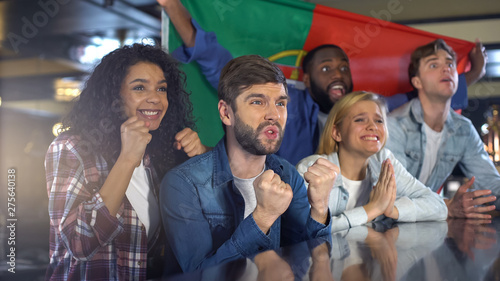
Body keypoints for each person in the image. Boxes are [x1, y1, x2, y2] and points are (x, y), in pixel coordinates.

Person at [156, 0, 486, 166]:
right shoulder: (286, 103)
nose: (338, 73)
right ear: (307, 78)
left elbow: (425, 99)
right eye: (326, 69)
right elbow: (216, 60)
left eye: (343, 67)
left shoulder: (368, 110)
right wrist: (172, 5)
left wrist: (471, 75)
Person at [44, 44, 208, 280]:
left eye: (161, 89)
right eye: (140, 87)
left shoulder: (157, 156)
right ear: (114, 98)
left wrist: (201, 154)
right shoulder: (72, 147)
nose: (155, 98)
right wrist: (128, 158)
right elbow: (79, 242)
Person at [160, 55, 337, 273]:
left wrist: (320, 209)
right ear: (226, 113)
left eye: (280, 103)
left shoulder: (289, 175)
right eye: (257, 102)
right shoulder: (184, 184)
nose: (274, 114)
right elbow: (200, 275)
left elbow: (310, 265)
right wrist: (262, 218)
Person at [296, 91, 447, 233]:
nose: (373, 127)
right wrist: (373, 209)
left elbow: (438, 206)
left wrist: (391, 210)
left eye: (379, 120)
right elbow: (307, 234)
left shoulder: (384, 161)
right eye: (360, 120)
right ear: (337, 132)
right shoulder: (311, 169)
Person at [386, 39, 500, 219]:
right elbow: (393, 196)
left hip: (426, 227)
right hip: (382, 229)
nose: (446, 68)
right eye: (433, 65)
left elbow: (491, 186)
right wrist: (448, 206)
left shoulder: (463, 129)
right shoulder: (394, 125)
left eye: (450, 64)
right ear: (417, 82)